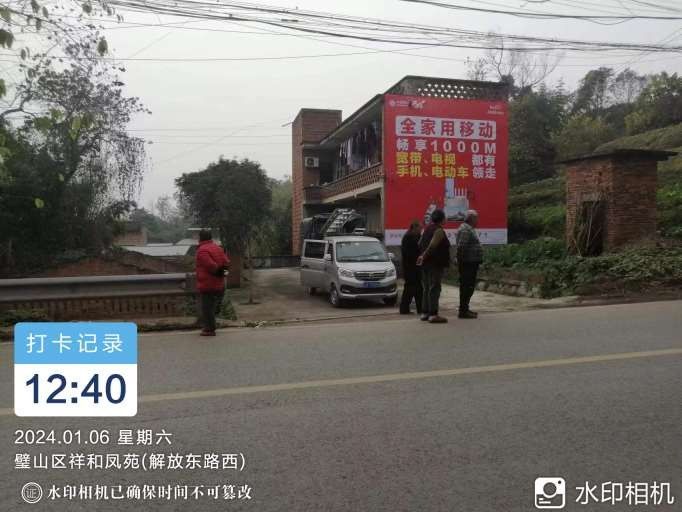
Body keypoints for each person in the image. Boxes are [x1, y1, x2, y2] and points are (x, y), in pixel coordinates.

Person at [416, 209, 450, 324]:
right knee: (434, 288)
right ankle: (433, 314)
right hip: (435, 264)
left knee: (426, 288)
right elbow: (432, 245)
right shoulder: (438, 230)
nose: (446, 219)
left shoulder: (427, 229)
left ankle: (425, 313)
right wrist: (424, 256)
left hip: (426, 264)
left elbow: (419, 243)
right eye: (444, 217)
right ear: (441, 219)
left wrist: (422, 256)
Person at [195, 229, 230, 336]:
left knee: (207, 308)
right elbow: (227, 263)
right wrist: (223, 275)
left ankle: (209, 330)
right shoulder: (218, 248)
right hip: (219, 284)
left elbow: (210, 265)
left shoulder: (202, 250)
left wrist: (218, 273)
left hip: (207, 284)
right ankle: (211, 327)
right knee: (212, 307)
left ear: (200, 237)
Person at [456, 210, 483, 319]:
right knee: (467, 286)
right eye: (476, 218)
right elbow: (461, 246)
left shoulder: (468, 228)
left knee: (469, 286)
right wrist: (461, 261)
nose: (477, 220)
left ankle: (465, 308)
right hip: (467, 263)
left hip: (470, 262)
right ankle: (463, 310)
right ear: (471, 218)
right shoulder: (466, 229)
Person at [399, 220, 423, 315]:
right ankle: (404, 308)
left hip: (416, 267)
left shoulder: (417, 236)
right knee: (410, 288)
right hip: (410, 267)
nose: (421, 230)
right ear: (414, 228)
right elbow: (409, 253)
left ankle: (420, 308)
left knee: (418, 288)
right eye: (420, 228)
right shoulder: (408, 237)